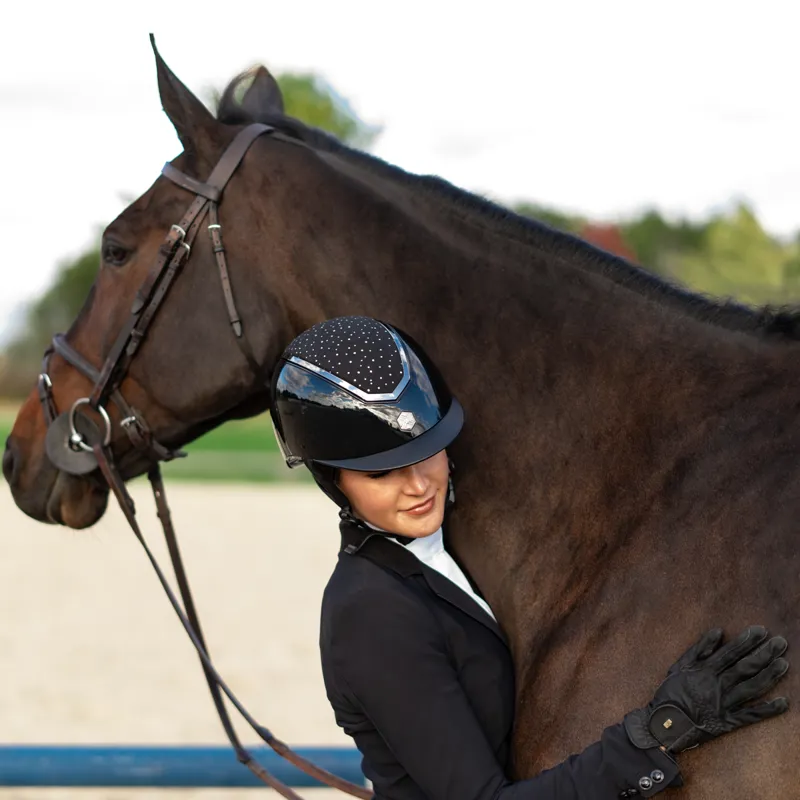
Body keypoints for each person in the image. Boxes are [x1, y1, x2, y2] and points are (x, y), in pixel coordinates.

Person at [269, 315, 790, 800]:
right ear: (333, 480)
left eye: (429, 448)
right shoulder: (372, 613)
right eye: (382, 473)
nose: (418, 485)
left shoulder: (446, 550)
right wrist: (662, 729)